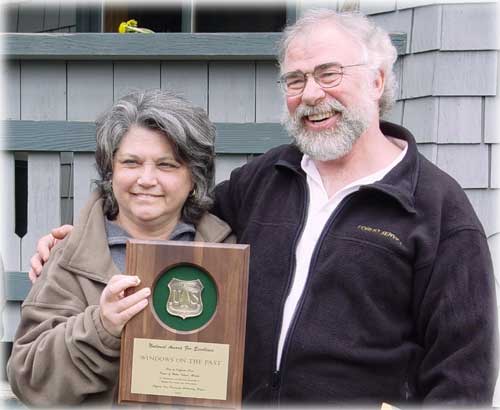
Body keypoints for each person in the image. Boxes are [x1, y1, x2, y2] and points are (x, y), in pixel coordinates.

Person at [27, 10, 498, 407]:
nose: (311, 94)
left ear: (377, 80)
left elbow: (465, 371)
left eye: (329, 73)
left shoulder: (437, 208)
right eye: (295, 79)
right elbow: (169, 210)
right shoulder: (265, 179)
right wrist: (79, 235)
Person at [8, 89, 234, 406]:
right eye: (131, 162)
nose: (146, 179)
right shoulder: (71, 255)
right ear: (110, 171)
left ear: (194, 177)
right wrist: (101, 327)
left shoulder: (228, 253)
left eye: (167, 165)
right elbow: (28, 378)